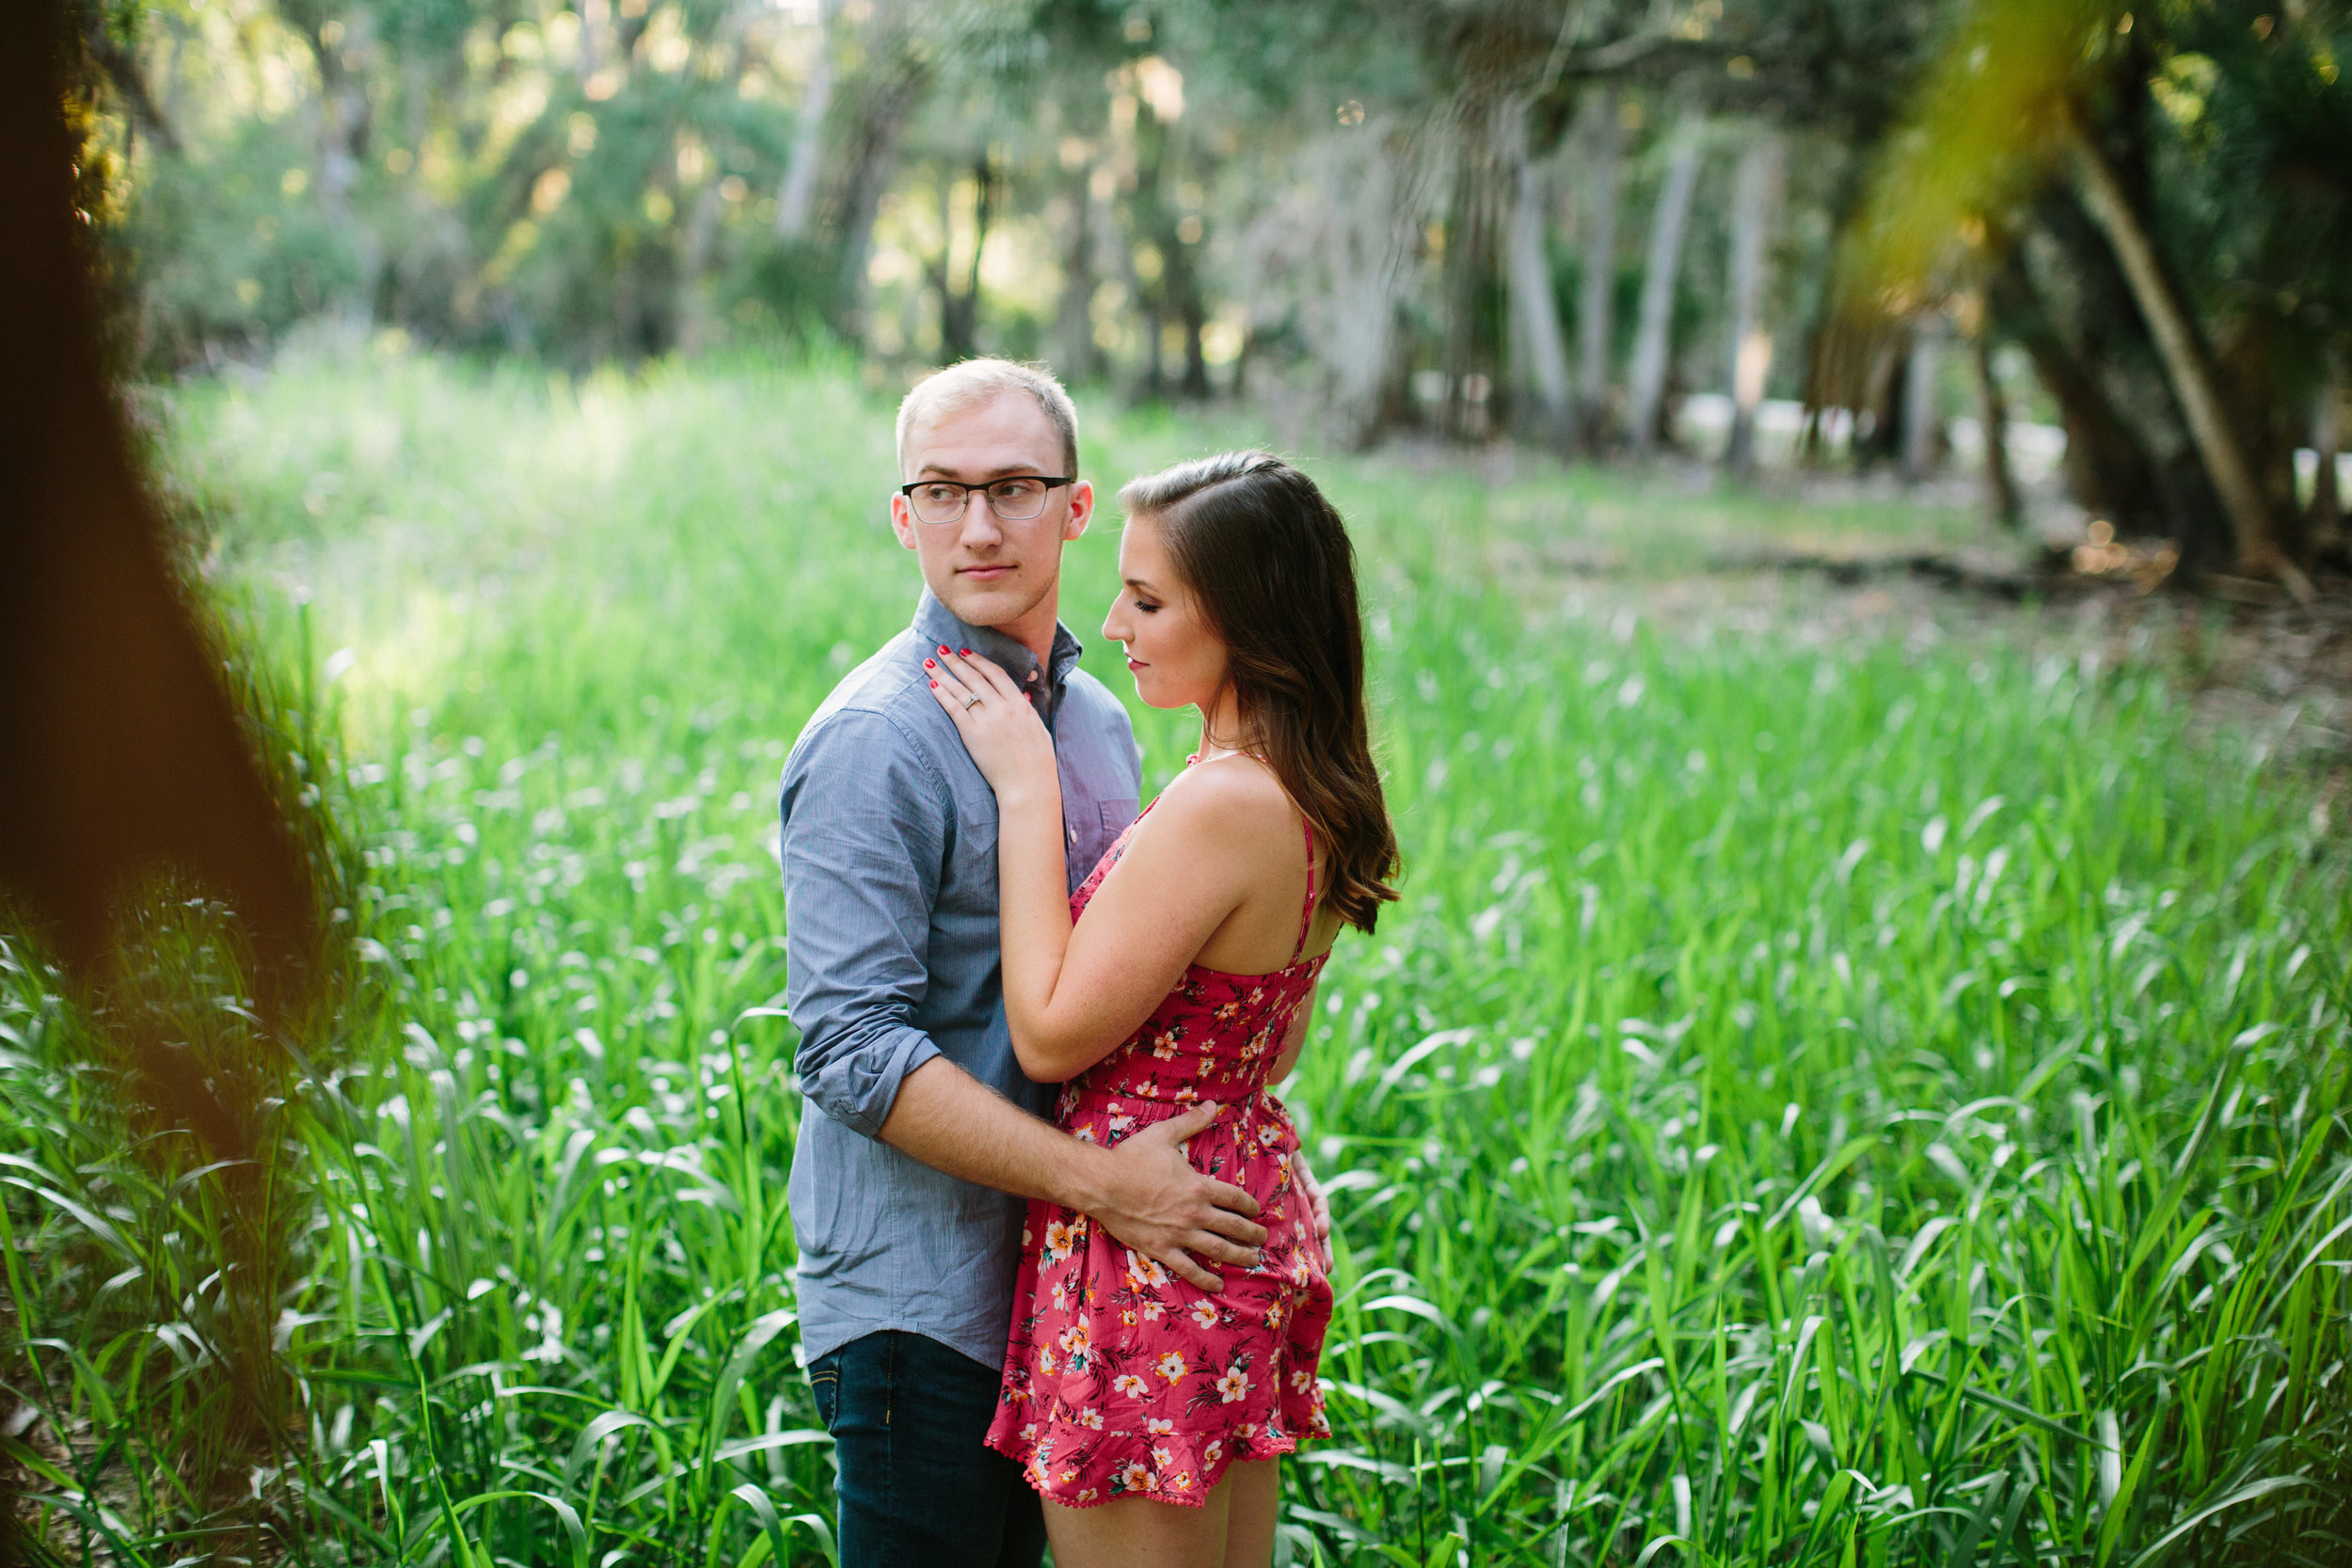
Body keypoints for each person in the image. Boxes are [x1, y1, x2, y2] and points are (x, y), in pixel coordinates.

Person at [777, 362, 1327, 1568]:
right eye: (943, 490)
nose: (978, 525)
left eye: (1014, 488)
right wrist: (1102, 1182)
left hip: (1102, 1285)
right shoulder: (879, 740)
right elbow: (848, 1051)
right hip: (925, 1307)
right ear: (903, 512)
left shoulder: (1103, 719)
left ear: (1074, 507)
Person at [924, 451, 1399, 1568]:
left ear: (1242, 616)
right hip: (1230, 1199)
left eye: (1146, 598)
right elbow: (1271, 1044)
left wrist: (1027, 783)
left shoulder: (1223, 800)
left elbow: (1046, 1027)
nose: (1112, 619)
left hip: (1149, 1255)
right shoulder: (1305, 779)